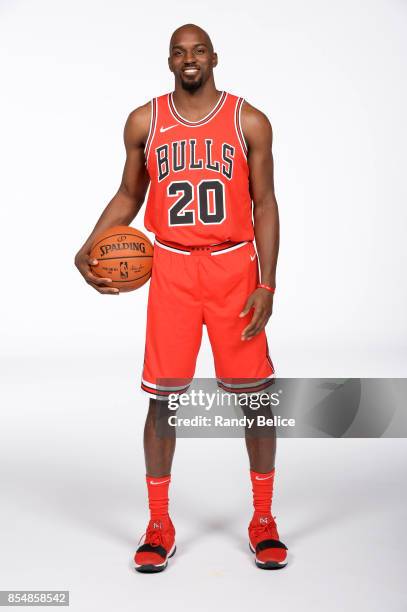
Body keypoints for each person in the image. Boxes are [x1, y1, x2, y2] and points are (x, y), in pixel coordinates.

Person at [74, 23, 287, 573]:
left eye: (198, 51)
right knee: (162, 398)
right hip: (169, 268)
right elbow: (129, 193)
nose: (189, 59)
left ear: (214, 57)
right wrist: (90, 245)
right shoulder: (146, 121)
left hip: (233, 268)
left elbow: (265, 203)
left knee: (255, 397)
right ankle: (159, 523)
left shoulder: (249, 121)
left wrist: (266, 281)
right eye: (179, 52)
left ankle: (263, 518)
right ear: (169, 61)